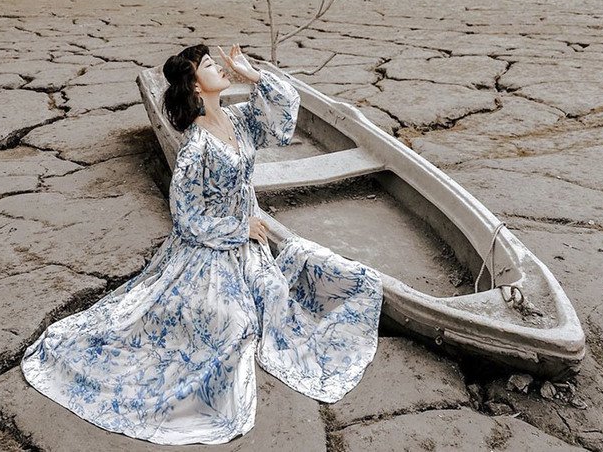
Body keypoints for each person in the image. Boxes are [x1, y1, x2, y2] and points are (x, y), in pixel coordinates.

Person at [21, 44, 382, 445]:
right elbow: (186, 217)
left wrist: (253, 75)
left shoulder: (238, 120)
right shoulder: (196, 147)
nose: (220, 67)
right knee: (235, 324)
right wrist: (238, 228)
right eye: (210, 65)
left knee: (288, 295)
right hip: (206, 250)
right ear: (195, 85)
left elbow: (282, 122)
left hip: (250, 248)